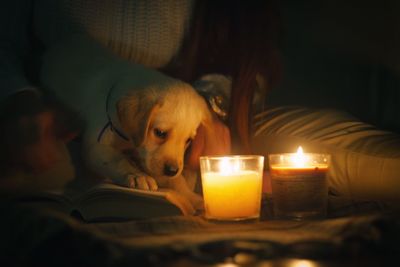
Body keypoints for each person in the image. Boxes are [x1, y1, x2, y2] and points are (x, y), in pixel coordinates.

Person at [1, 0, 399, 212]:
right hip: (62, 119)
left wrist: (210, 109)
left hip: (208, 120)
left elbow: (254, 59)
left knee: (331, 154)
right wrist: (16, 96)